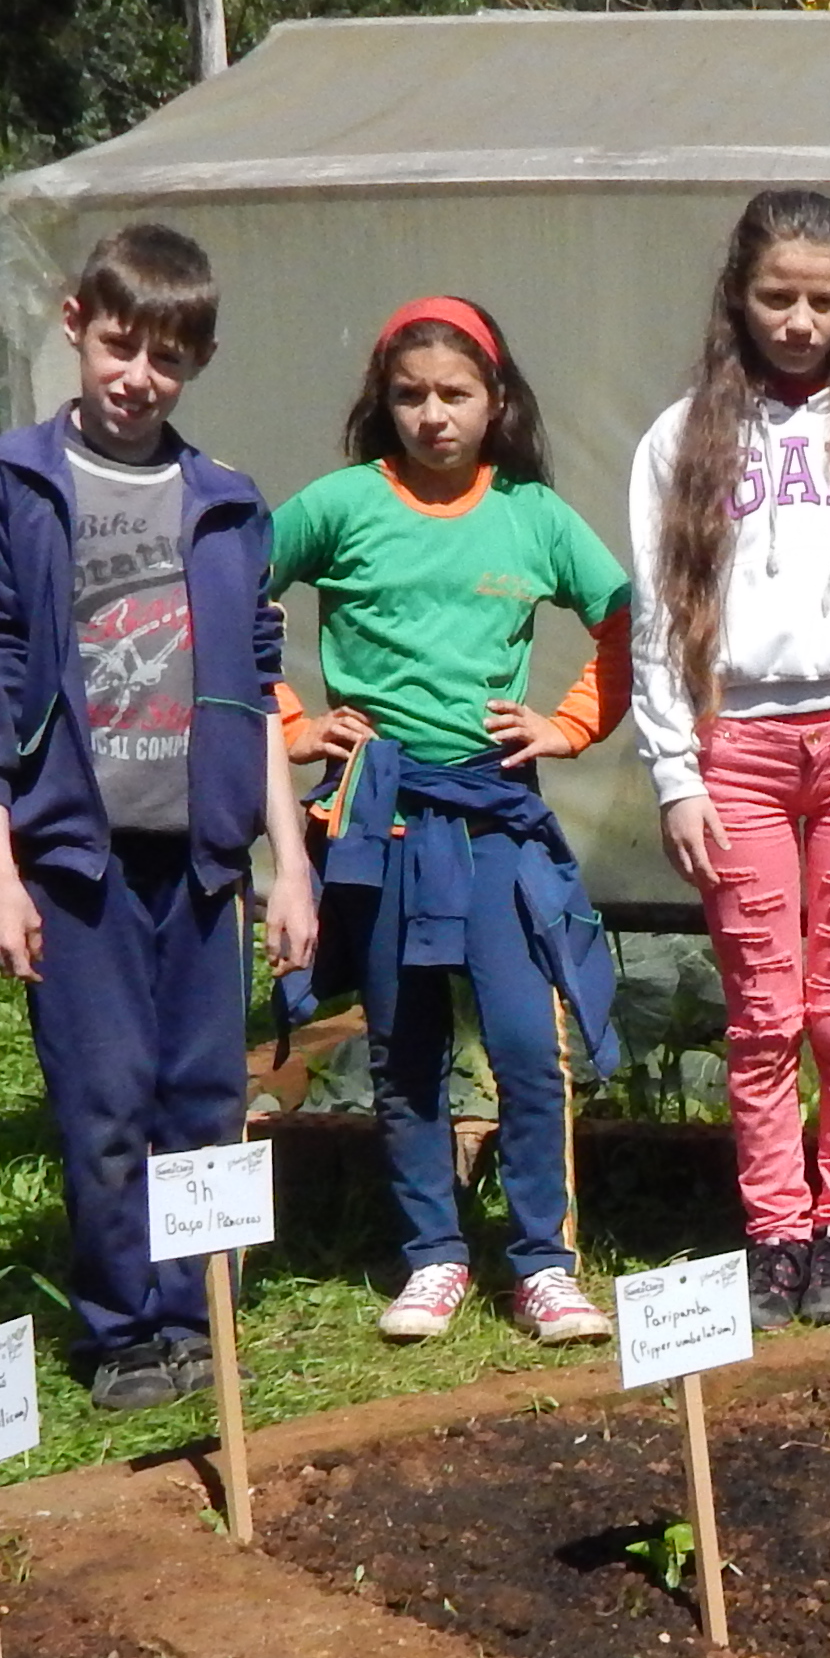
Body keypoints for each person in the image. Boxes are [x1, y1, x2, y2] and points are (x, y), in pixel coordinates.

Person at [0, 225, 317, 1411]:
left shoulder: (228, 503)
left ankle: (200, 1316)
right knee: (104, 1104)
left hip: (202, 862)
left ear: (198, 361)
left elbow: (260, 688)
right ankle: (120, 1330)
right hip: (74, 860)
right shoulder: (9, 484)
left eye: (167, 357)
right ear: (75, 326)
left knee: (205, 1099)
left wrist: (288, 859)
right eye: (119, 346)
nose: (137, 377)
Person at [271, 298, 629, 1350]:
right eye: (411, 395)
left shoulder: (534, 515)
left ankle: (545, 1264)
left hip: (494, 815)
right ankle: (432, 1253)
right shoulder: (338, 505)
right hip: (379, 815)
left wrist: (568, 725)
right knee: (404, 1042)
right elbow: (225, 593)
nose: (434, 415)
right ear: (383, 403)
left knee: (524, 1041)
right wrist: (293, 723)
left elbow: (626, 619)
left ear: (495, 401)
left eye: (455, 394)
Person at [627, 190, 830, 1331]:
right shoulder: (681, 439)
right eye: (777, 297)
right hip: (736, 746)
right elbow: (660, 613)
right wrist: (676, 774)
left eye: (823, 301)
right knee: (762, 1013)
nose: (799, 323)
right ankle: (773, 1232)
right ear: (738, 298)